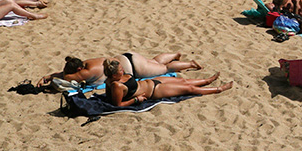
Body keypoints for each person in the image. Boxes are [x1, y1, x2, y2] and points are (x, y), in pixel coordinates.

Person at [103, 58, 232, 107]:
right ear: (114, 75)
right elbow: (118, 104)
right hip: (153, 91)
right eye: (120, 70)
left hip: (151, 82)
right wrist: (136, 100)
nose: (123, 70)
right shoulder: (116, 85)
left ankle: (207, 80)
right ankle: (218, 89)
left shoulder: (111, 79)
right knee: (188, 89)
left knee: (182, 81)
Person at [37, 52, 203, 89]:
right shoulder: (87, 63)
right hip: (128, 57)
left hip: (134, 68)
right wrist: (49, 76)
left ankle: (190, 64)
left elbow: (67, 78)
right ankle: (174, 55)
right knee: (155, 62)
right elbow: (67, 74)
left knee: (165, 68)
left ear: (78, 69)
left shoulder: (85, 73)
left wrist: (50, 78)